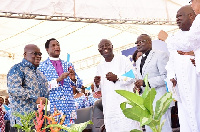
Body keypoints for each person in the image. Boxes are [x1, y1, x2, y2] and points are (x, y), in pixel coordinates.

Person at [165, 5, 200, 132]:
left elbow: (188, 46)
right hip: (183, 87)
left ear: (191, 16)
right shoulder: (175, 38)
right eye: (176, 17)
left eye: (180, 16)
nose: (177, 19)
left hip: (196, 82)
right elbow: (171, 63)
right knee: (186, 118)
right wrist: (171, 77)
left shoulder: (196, 35)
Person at [94, 39, 140, 132]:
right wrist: (96, 83)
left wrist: (118, 77)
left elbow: (133, 75)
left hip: (125, 104)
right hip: (110, 108)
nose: (105, 48)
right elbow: (98, 89)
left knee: (129, 127)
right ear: (99, 51)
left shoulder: (123, 59)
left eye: (107, 45)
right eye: (102, 47)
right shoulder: (100, 66)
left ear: (112, 47)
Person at [38, 38, 82, 126]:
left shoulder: (68, 64)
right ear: (47, 49)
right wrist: (58, 80)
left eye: (58, 45)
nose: (56, 47)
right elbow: (41, 88)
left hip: (69, 107)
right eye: (53, 45)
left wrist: (73, 79)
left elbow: (79, 86)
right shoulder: (41, 66)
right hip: (54, 107)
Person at [134, 34, 172, 132]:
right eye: (137, 43)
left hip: (160, 100)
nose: (138, 44)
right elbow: (141, 79)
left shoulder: (160, 55)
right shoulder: (138, 62)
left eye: (141, 41)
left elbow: (166, 77)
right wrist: (138, 87)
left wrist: (146, 83)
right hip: (147, 102)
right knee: (150, 128)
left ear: (150, 42)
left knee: (163, 128)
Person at [7, 44, 49, 131]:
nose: (38, 56)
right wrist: (35, 98)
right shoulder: (17, 69)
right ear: (25, 54)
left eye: (40, 54)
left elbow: (45, 95)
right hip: (22, 122)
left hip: (39, 122)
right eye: (35, 53)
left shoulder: (40, 74)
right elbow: (14, 89)